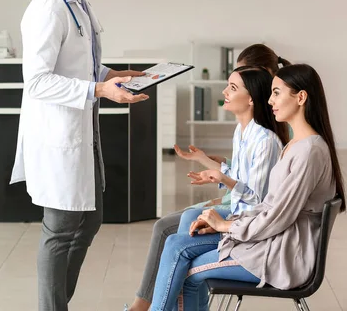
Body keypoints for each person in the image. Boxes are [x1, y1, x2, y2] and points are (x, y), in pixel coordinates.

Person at [9, 0, 149, 311]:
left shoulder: (79, 2)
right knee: (59, 231)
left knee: (89, 220)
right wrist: (97, 89)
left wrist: (110, 76)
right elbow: (36, 81)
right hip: (59, 136)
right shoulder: (47, 8)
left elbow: (77, 66)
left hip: (83, 132)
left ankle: (56, 304)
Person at [150, 64, 347, 311]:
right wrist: (227, 225)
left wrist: (226, 226)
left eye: (277, 93)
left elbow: (278, 216)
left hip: (280, 255)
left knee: (186, 271)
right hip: (270, 241)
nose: (270, 100)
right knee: (178, 248)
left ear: (301, 97)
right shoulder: (297, 145)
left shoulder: (309, 152)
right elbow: (269, 205)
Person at [124, 64, 289, 311]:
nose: (225, 92)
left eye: (232, 88)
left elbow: (257, 201)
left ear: (252, 99)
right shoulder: (242, 132)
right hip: (239, 216)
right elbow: (238, 178)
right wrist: (212, 170)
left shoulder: (265, 142)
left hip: (250, 226)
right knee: (190, 217)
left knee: (176, 247)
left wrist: (223, 180)